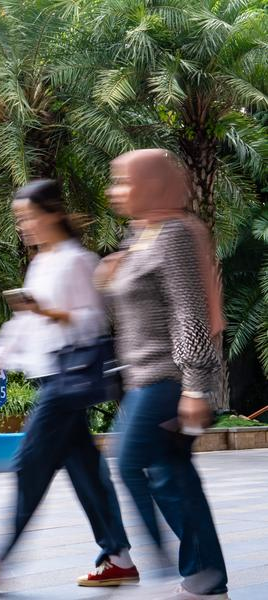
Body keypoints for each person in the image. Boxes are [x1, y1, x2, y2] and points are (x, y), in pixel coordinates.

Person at [0, 179, 138, 589]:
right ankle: (119, 556)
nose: (24, 226)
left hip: (67, 377)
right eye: (20, 220)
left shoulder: (78, 260)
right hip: (52, 378)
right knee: (85, 469)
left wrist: (50, 312)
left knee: (29, 464)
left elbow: (93, 321)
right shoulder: (41, 262)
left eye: (29, 217)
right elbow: (22, 323)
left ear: (53, 213)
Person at [101, 149, 228, 599]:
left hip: (168, 377)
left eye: (124, 181)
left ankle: (179, 565)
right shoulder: (142, 235)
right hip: (141, 378)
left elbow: (189, 311)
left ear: (154, 184)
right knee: (169, 471)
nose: (114, 191)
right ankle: (203, 577)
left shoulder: (174, 233)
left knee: (136, 462)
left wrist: (195, 385)